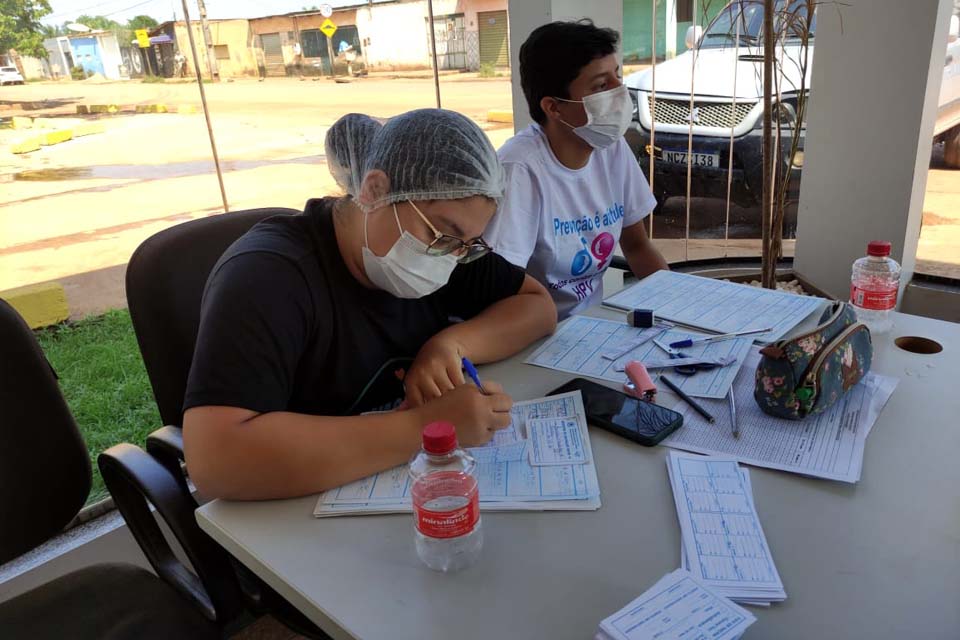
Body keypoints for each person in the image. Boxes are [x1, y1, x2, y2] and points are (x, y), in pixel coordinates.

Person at [183, 109, 557, 501]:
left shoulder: (447, 250)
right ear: (375, 190)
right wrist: (424, 428)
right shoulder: (269, 276)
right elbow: (215, 461)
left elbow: (536, 306)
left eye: (467, 244)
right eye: (444, 233)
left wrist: (453, 344)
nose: (450, 257)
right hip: (293, 516)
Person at [484, 20, 669, 321]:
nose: (619, 90)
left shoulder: (611, 148)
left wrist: (679, 309)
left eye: (617, 76)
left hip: (589, 326)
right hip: (533, 333)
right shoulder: (519, 170)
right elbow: (501, 288)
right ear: (554, 108)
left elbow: (637, 246)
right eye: (600, 86)